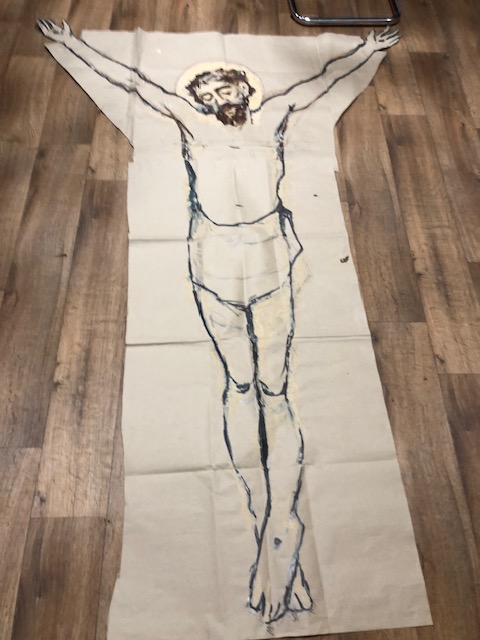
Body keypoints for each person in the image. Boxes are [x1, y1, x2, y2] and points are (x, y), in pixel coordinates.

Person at [38, 19, 400, 624]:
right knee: (239, 385)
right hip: (212, 263)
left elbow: (321, 81)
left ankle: (279, 525)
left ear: (245, 90)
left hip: (271, 258)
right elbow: (132, 82)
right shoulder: (188, 122)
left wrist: (367, 51)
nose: (218, 95)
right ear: (199, 99)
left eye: (227, 86)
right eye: (207, 90)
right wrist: (71, 45)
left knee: (275, 391)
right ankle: (266, 527)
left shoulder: (275, 113)